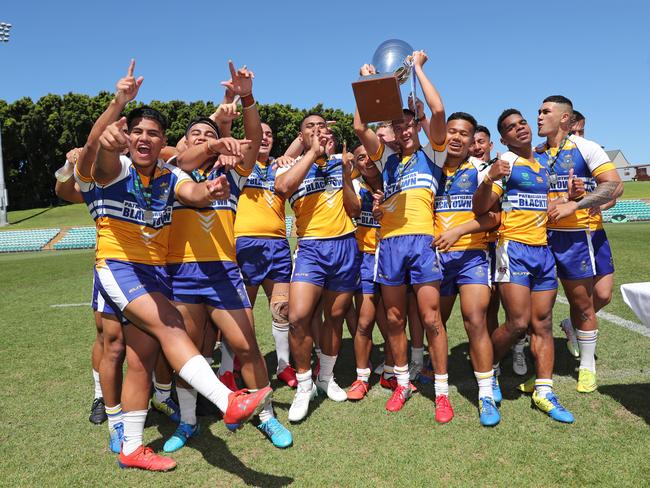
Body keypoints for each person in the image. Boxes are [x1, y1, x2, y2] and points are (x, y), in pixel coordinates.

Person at [83, 61, 272, 471]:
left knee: (142, 359)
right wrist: (116, 111)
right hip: (119, 266)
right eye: (138, 132)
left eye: (153, 133)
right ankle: (228, 401)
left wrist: (212, 185)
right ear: (128, 138)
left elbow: (194, 189)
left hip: (154, 274)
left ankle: (132, 447)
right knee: (169, 325)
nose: (144, 138)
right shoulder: (117, 168)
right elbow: (99, 159)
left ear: (164, 142)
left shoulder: (169, 176)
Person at [165, 61, 292, 451]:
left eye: (209, 133)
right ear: (185, 143)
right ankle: (187, 422)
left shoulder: (234, 171)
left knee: (246, 346)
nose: (204, 139)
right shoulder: (171, 172)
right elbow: (185, 167)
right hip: (182, 274)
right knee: (194, 352)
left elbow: (251, 138)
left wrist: (247, 97)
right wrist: (215, 137)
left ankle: (266, 415)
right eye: (195, 135)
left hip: (223, 271)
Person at [354, 51, 453, 420]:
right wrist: (368, 86)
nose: (404, 129)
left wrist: (421, 70)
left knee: (430, 320)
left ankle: (442, 393)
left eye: (408, 124)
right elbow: (359, 128)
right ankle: (401, 382)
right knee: (394, 318)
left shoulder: (434, 155)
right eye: (397, 125)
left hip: (423, 242)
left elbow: (439, 112)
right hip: (390, 245)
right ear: (393, 131)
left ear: (416, 127)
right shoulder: (385, 159)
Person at [473, 108, 574, 424]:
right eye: (510, 128)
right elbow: (481, 207)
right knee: (517, 323)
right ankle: (489, 373)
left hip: (542, 251)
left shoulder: (543, 166)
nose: (520, 129)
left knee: (541, 323)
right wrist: (490, 178)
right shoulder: (506, 165)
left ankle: (544, 392)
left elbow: (543, 206)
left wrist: (568, 198)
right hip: (512, 250)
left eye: (522, 123)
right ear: (502, 138)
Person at [274, 113, 361, 422]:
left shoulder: (343, 161)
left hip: (345, 245)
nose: (317, 131)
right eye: (309, 127)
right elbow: (283, 187)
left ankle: (326, 376)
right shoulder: (288, 164)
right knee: (297, 318)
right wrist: (311, 152)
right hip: (311, 248)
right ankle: (304, 385)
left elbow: (355, 210)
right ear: (301, 135)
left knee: (334, 318)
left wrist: (348, 173)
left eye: (321, 127)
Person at [537, 96, 623, 392]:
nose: (538, 116)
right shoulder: (535, 154)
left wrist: (577, 203)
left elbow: (615, 186)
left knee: (599, 297)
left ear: (564, 118)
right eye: (538, 111)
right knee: (568, 304)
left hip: (585, 234)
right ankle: (575, 365)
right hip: (547, 237)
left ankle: (579, 347)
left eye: (545, 111)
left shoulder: (586, 147)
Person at [434, 112, 501, 426]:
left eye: (464, 133)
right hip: (435, 259)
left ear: (474, 139)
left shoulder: (481, 170)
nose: (457, 138)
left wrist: (459, 231)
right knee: (436, 322)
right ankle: (438, 384)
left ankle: (486, 393)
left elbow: (494, 218)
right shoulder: (430, 168)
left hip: (471, 256)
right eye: (451, 131)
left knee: (475, 319)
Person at [234, 121, 296, 388]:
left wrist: (310, 136)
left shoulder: (279, 166)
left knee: (282, 310)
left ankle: (284, 365)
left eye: (270, 134)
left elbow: (298, 148)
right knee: (240, 312)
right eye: (261, 134)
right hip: (246, 246)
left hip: (278, 245)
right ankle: (236, 363)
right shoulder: (239, 165)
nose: (265, 138)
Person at [470, 126, 528, 377]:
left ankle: (517, 347)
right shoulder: (468, 169)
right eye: (473, 143)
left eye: (481, 142)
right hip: (482, 244)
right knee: (490, 305)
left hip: (505, 242)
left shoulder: (503, 165)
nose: (476, 147)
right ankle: (493, 357)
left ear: (491, 144)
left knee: (515, 306)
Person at [341, 143, 393, 401]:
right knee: (365, 320)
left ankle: (394, 369)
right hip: (364, 257)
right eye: (360, 157)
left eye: (370, 155)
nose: (367, 160)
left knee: (394, 319)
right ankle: (362, 377)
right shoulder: (356, 184)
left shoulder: (395, 177)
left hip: (393, 254)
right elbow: (351, 209)